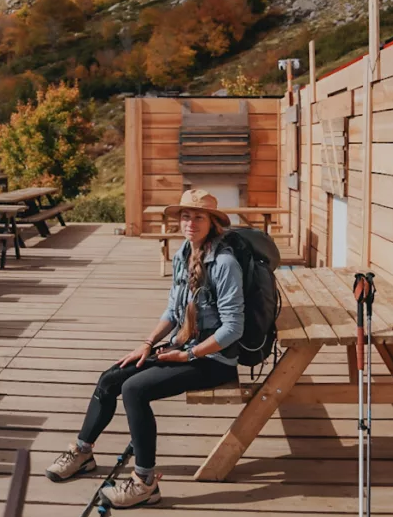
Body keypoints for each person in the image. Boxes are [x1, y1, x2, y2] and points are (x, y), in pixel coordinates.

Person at [45, 189, 245, 508]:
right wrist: (148, 344)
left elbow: (233, 329)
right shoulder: (183, 254)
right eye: (186, 216)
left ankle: (145, 482)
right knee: (110, 378)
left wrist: (188, 355)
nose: (190, 223)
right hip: (182, 346)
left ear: (212, 223)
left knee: (135, 389)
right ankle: (83, 453)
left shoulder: (224, 263)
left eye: (198, 217)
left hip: (214, 359)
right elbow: (172, 312)